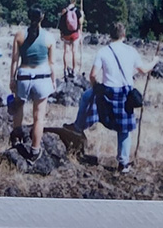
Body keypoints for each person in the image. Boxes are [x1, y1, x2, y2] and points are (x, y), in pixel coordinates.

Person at [64, 22, 157, 173]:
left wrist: (96, 87)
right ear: (124, 35)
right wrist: (155, 61)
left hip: (107, 93)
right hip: (126, 94)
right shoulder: (131, 51)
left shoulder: (103, 52)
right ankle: (123, 163)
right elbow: (144, 70)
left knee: (86, 96)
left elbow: (93, 75)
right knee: (124, 129)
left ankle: (78, 127)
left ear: (110, 35)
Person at [9, 6, 56, 161]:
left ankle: (16, 139)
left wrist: (12, 79)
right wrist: (53, 81)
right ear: (42, 17)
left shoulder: (19, 35)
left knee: (18, 109)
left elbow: (15, 60)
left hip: (24, 76)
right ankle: (35, 150)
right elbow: (52, 63)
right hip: (42, 77)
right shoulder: (49, 37)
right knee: (39, 117)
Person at [57, 0, 84, 80]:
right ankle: (74, 70)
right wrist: (82, 15)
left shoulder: (64, 11)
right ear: (74, 2)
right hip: (75, 34)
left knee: (66, 52)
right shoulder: (77, 10)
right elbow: (80, 22)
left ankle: (65, 69)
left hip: (66, 35)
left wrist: (61, 34)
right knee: (74, 52)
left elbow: (60, 24)